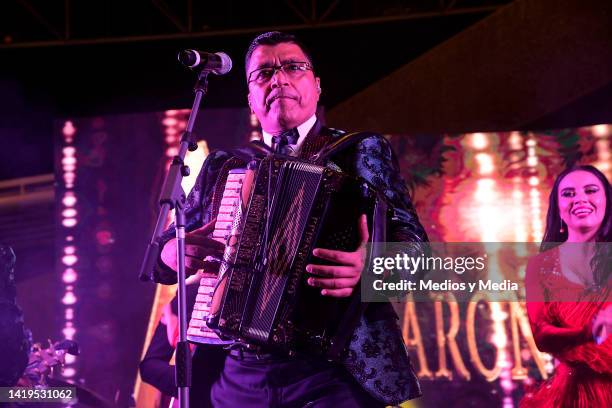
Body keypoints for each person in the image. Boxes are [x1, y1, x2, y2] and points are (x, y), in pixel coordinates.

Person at [154, 31, 428, 407]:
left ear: (316, 86)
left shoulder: (360, 150)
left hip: (332, 371)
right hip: (238, 374)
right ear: (251, 99)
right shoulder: (224, 166)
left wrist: (370, 268)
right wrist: (172, 252)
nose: (278, 78)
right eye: (262, 73)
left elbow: (419, 252)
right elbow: (163, 255)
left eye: (292, 67)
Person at [521, 165, 611, 408]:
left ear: (606, 201)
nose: (580, 198)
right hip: (575, 396)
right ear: (558, 208)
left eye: (590, 190)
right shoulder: (541, 266)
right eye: (569, 194)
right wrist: (588, 331)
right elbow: (542, 336)